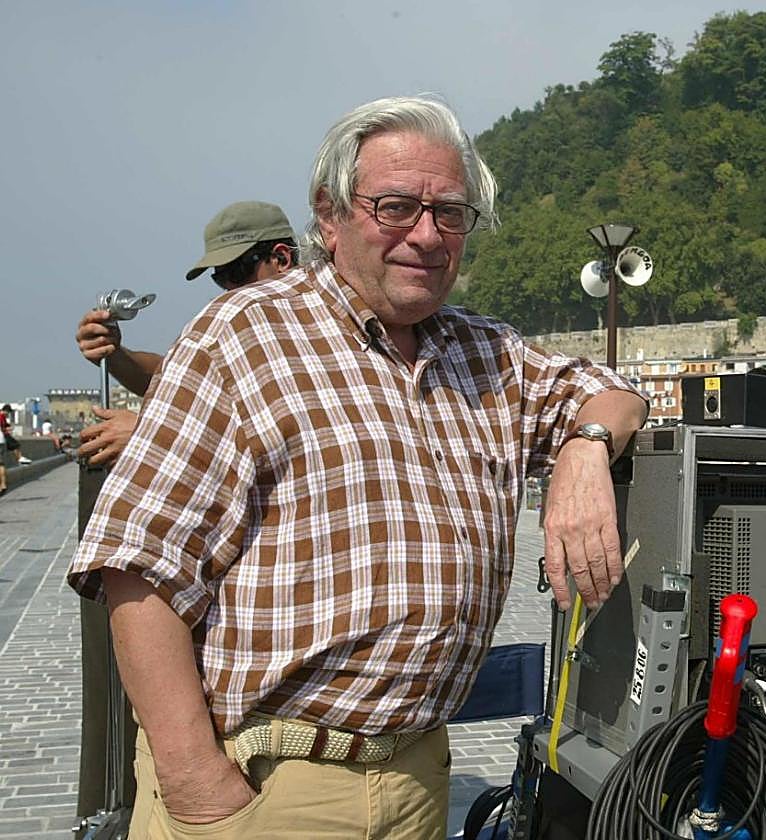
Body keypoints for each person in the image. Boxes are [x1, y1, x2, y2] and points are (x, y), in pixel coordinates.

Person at [68, 95, 647, 839]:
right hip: (266, 782)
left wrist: (584, 448)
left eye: (451, 213)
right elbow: (138, 566)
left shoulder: (487, 352)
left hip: (417, 780)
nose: (427, 235)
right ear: (330, 217)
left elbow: (614, 391)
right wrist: (197, 784)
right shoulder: (247, 334)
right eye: (397, 206)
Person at [73, 202, 297, 466]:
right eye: (220, 276)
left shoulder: (316, 326)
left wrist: (146, 434)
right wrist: (113, 354)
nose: (229, 287)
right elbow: (177, 378)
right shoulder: (236, 327)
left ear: (281, 259)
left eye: (237, 271)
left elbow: (289, 438)